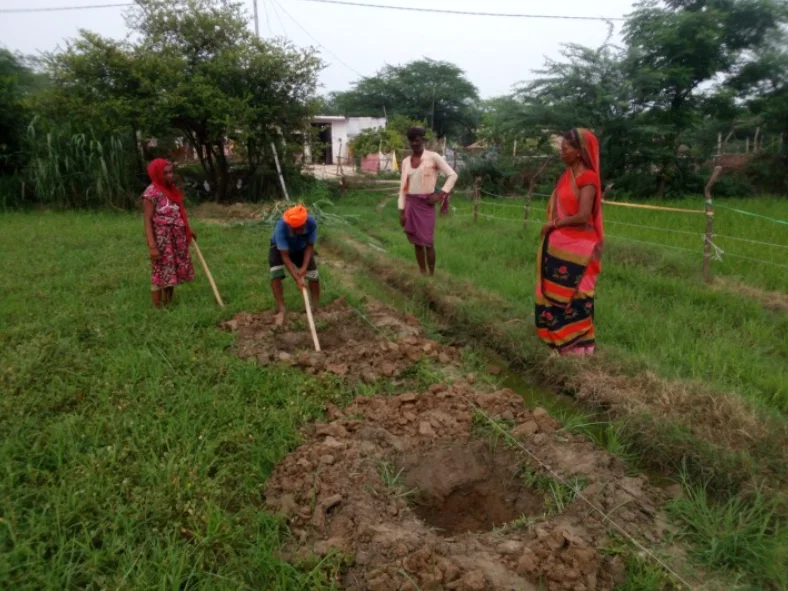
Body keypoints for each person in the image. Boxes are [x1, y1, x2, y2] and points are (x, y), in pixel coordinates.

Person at [535, 128, 604, 356]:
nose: (561, 153)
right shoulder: (567, 176)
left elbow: (583, 216)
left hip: (581, 249)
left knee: (579, 295)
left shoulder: (588, 178)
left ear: (579, 151)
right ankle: (559, 341)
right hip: (559, 247)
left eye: (565, 149)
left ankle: (580, 347)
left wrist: (554, 224)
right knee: (555, 293)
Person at [398, 126, 458, 275]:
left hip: (426, 205)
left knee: (428, 243)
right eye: (411, 141)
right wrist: (401, 211)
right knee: (417, 244)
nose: (414, 143)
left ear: (423, 141)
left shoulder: (433, 157)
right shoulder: (406, 161)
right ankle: (422, 272)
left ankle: (431, 274)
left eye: (417, 140)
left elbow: (452, 175)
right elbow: (403, 188)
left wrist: (440, 194)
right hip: (410, 204)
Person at [142, 158, 195, 308]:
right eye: (165, 173)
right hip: (162, 240)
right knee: (160, 272)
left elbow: (177, 213)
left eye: (171, 172)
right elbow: (147, 221)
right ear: (157, 174)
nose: (170, 176)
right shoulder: (151, 193)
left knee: (172, 270)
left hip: (176, 237)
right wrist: (152, 246)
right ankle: (158, 308)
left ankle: (168, 302)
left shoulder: (172, 190)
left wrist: (187, 230)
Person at [269, 204, 320, 327]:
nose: (296, 230)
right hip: (279, 248)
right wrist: (297, 278)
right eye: (293, 228)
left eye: (299, 228)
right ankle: (282, 309)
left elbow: (309, 246)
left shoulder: (311, 223)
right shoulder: (281, 227)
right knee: (276, 273)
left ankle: (315, 306)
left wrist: (303, 267)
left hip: (302, 247)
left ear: (304, 223)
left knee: (313, 274)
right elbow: (284, 255)